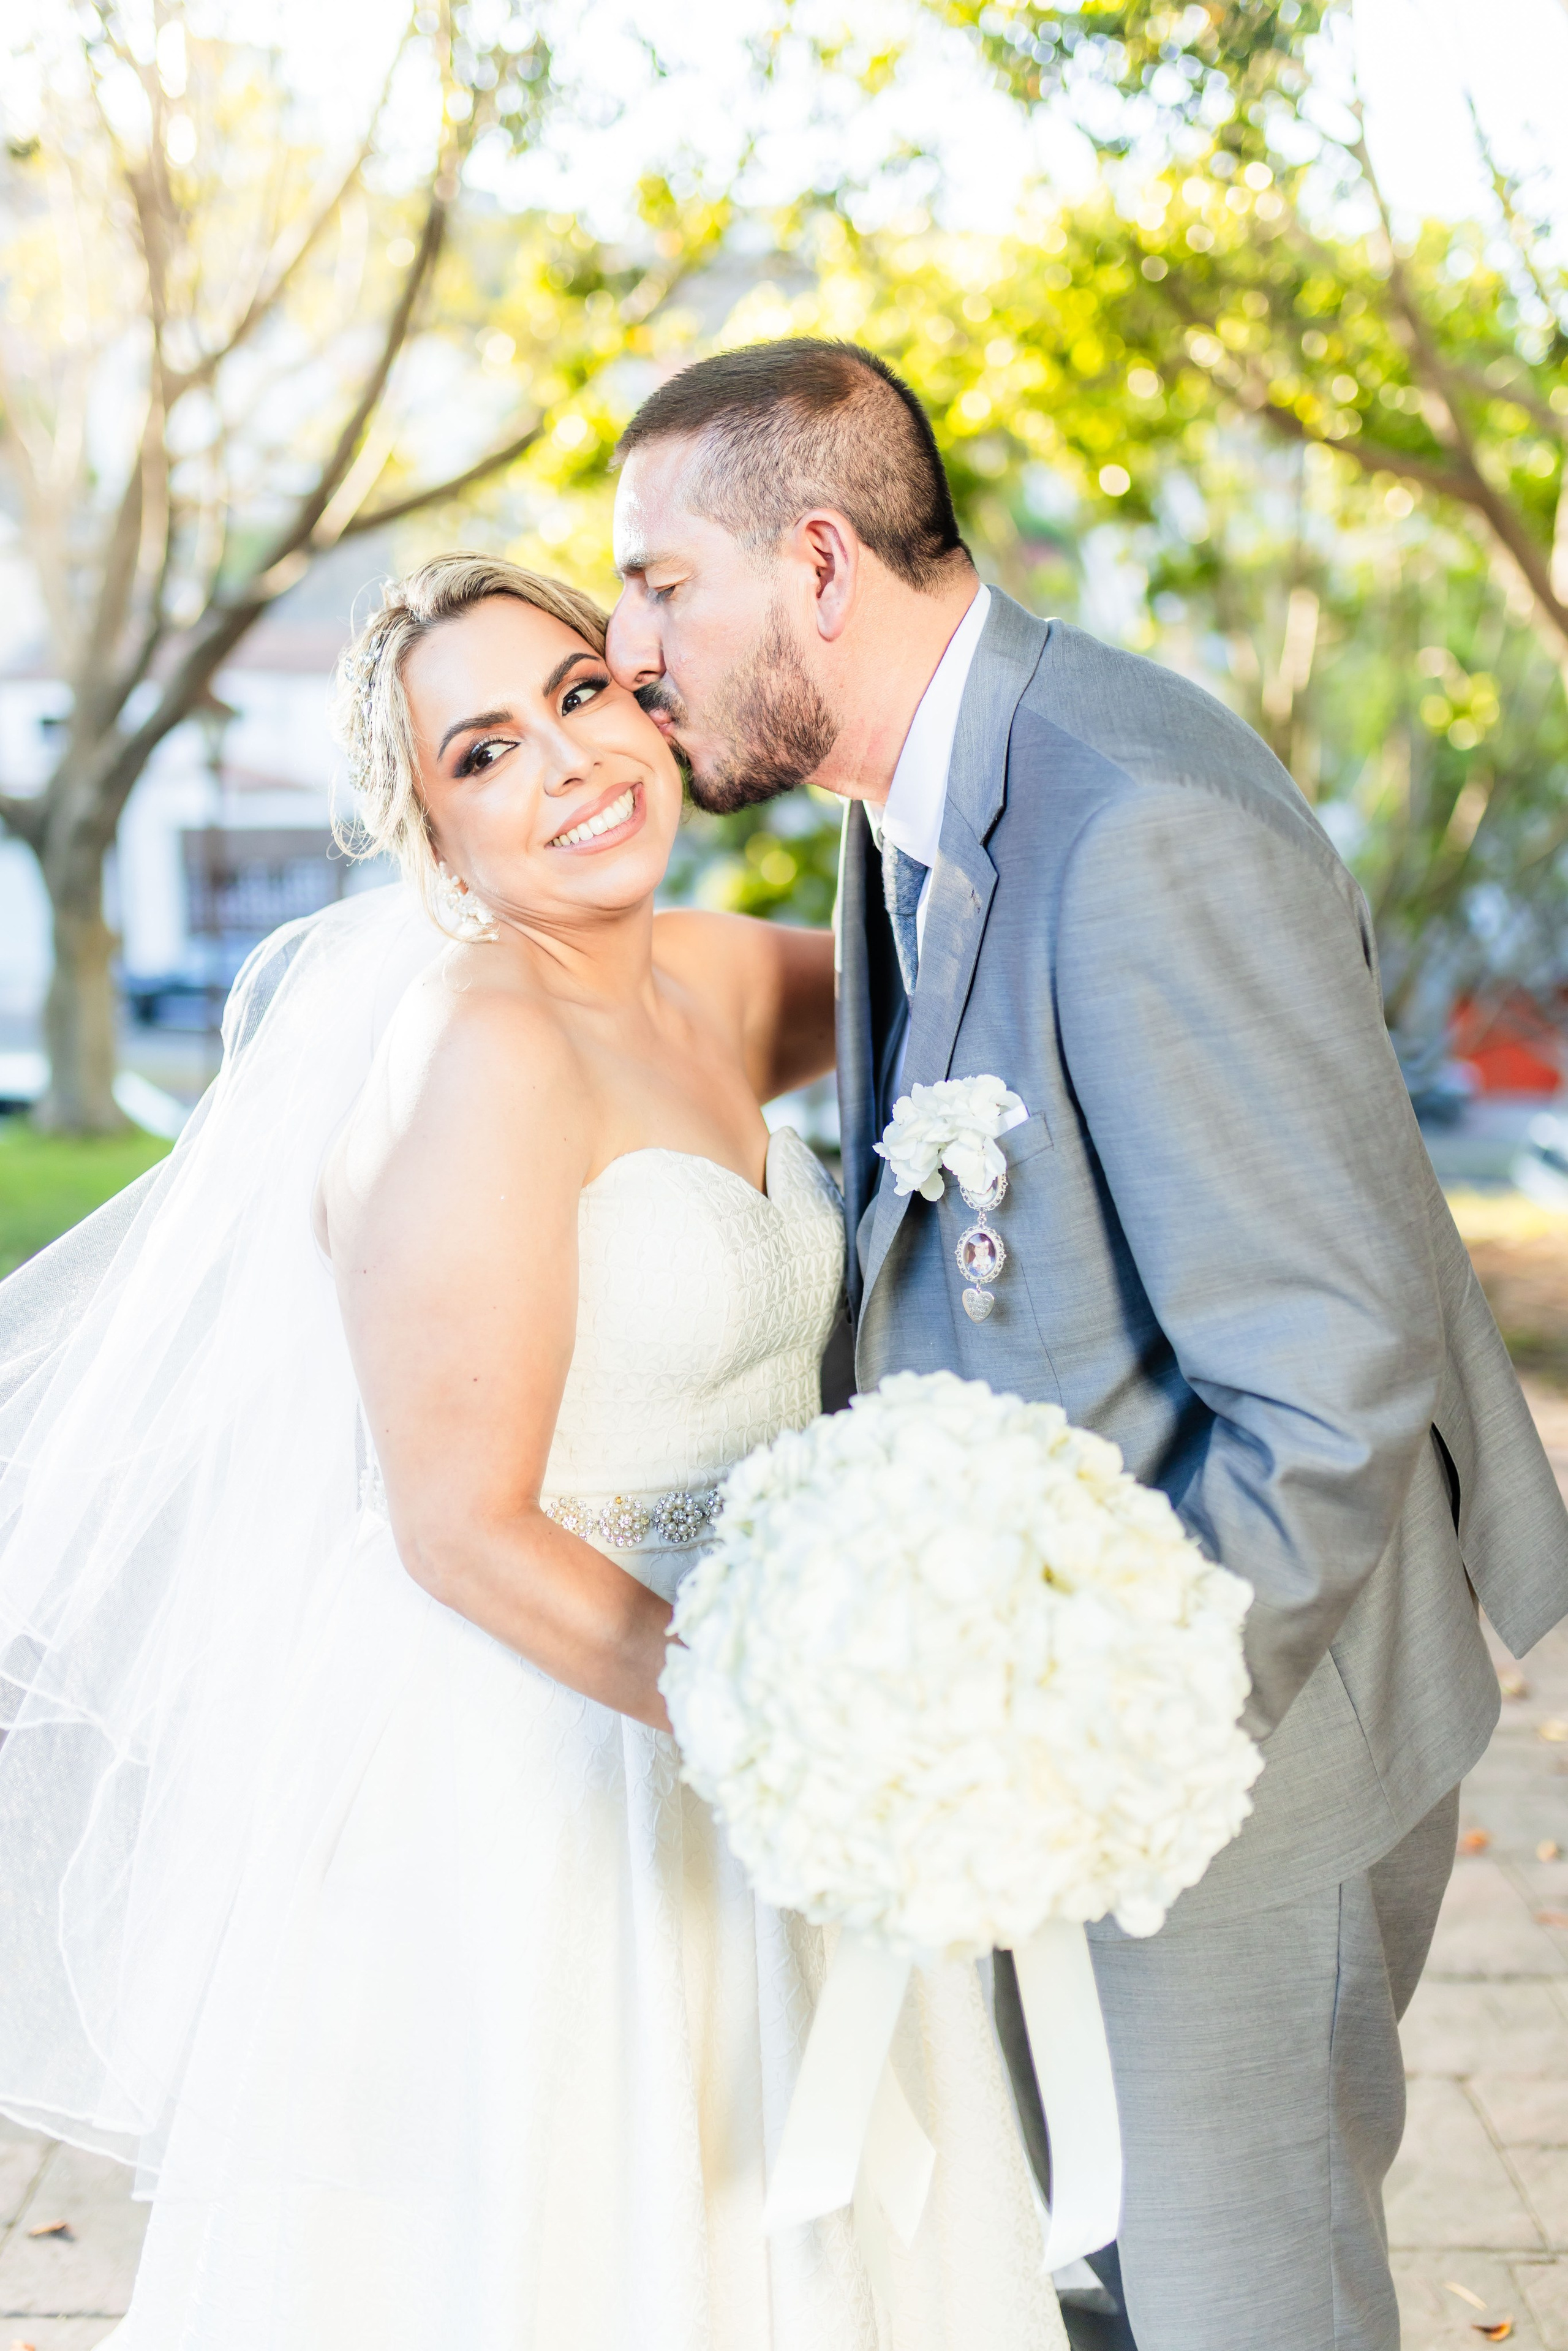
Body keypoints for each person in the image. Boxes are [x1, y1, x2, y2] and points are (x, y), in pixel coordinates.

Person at [604, 337, 1568, 2351]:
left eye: (657, 585)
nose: (629, 650)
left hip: (1233, 1758)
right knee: (1097, 2292)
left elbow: (1326, 1375)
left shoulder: (1136, 824)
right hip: (1070, 1748)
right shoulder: (913, 806)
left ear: (814, 566)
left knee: (1234, 2308)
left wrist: (1106, 1763)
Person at [0, 556, 1065, 2350]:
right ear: (436, 842)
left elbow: (1004, 965)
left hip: (782, 1701)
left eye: (580, 695)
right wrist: (796, 1727)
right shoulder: (478, 1048)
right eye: (483, 755)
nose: (567, 766)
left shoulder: (716, 984)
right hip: (559, 1751)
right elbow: (458, 1524)